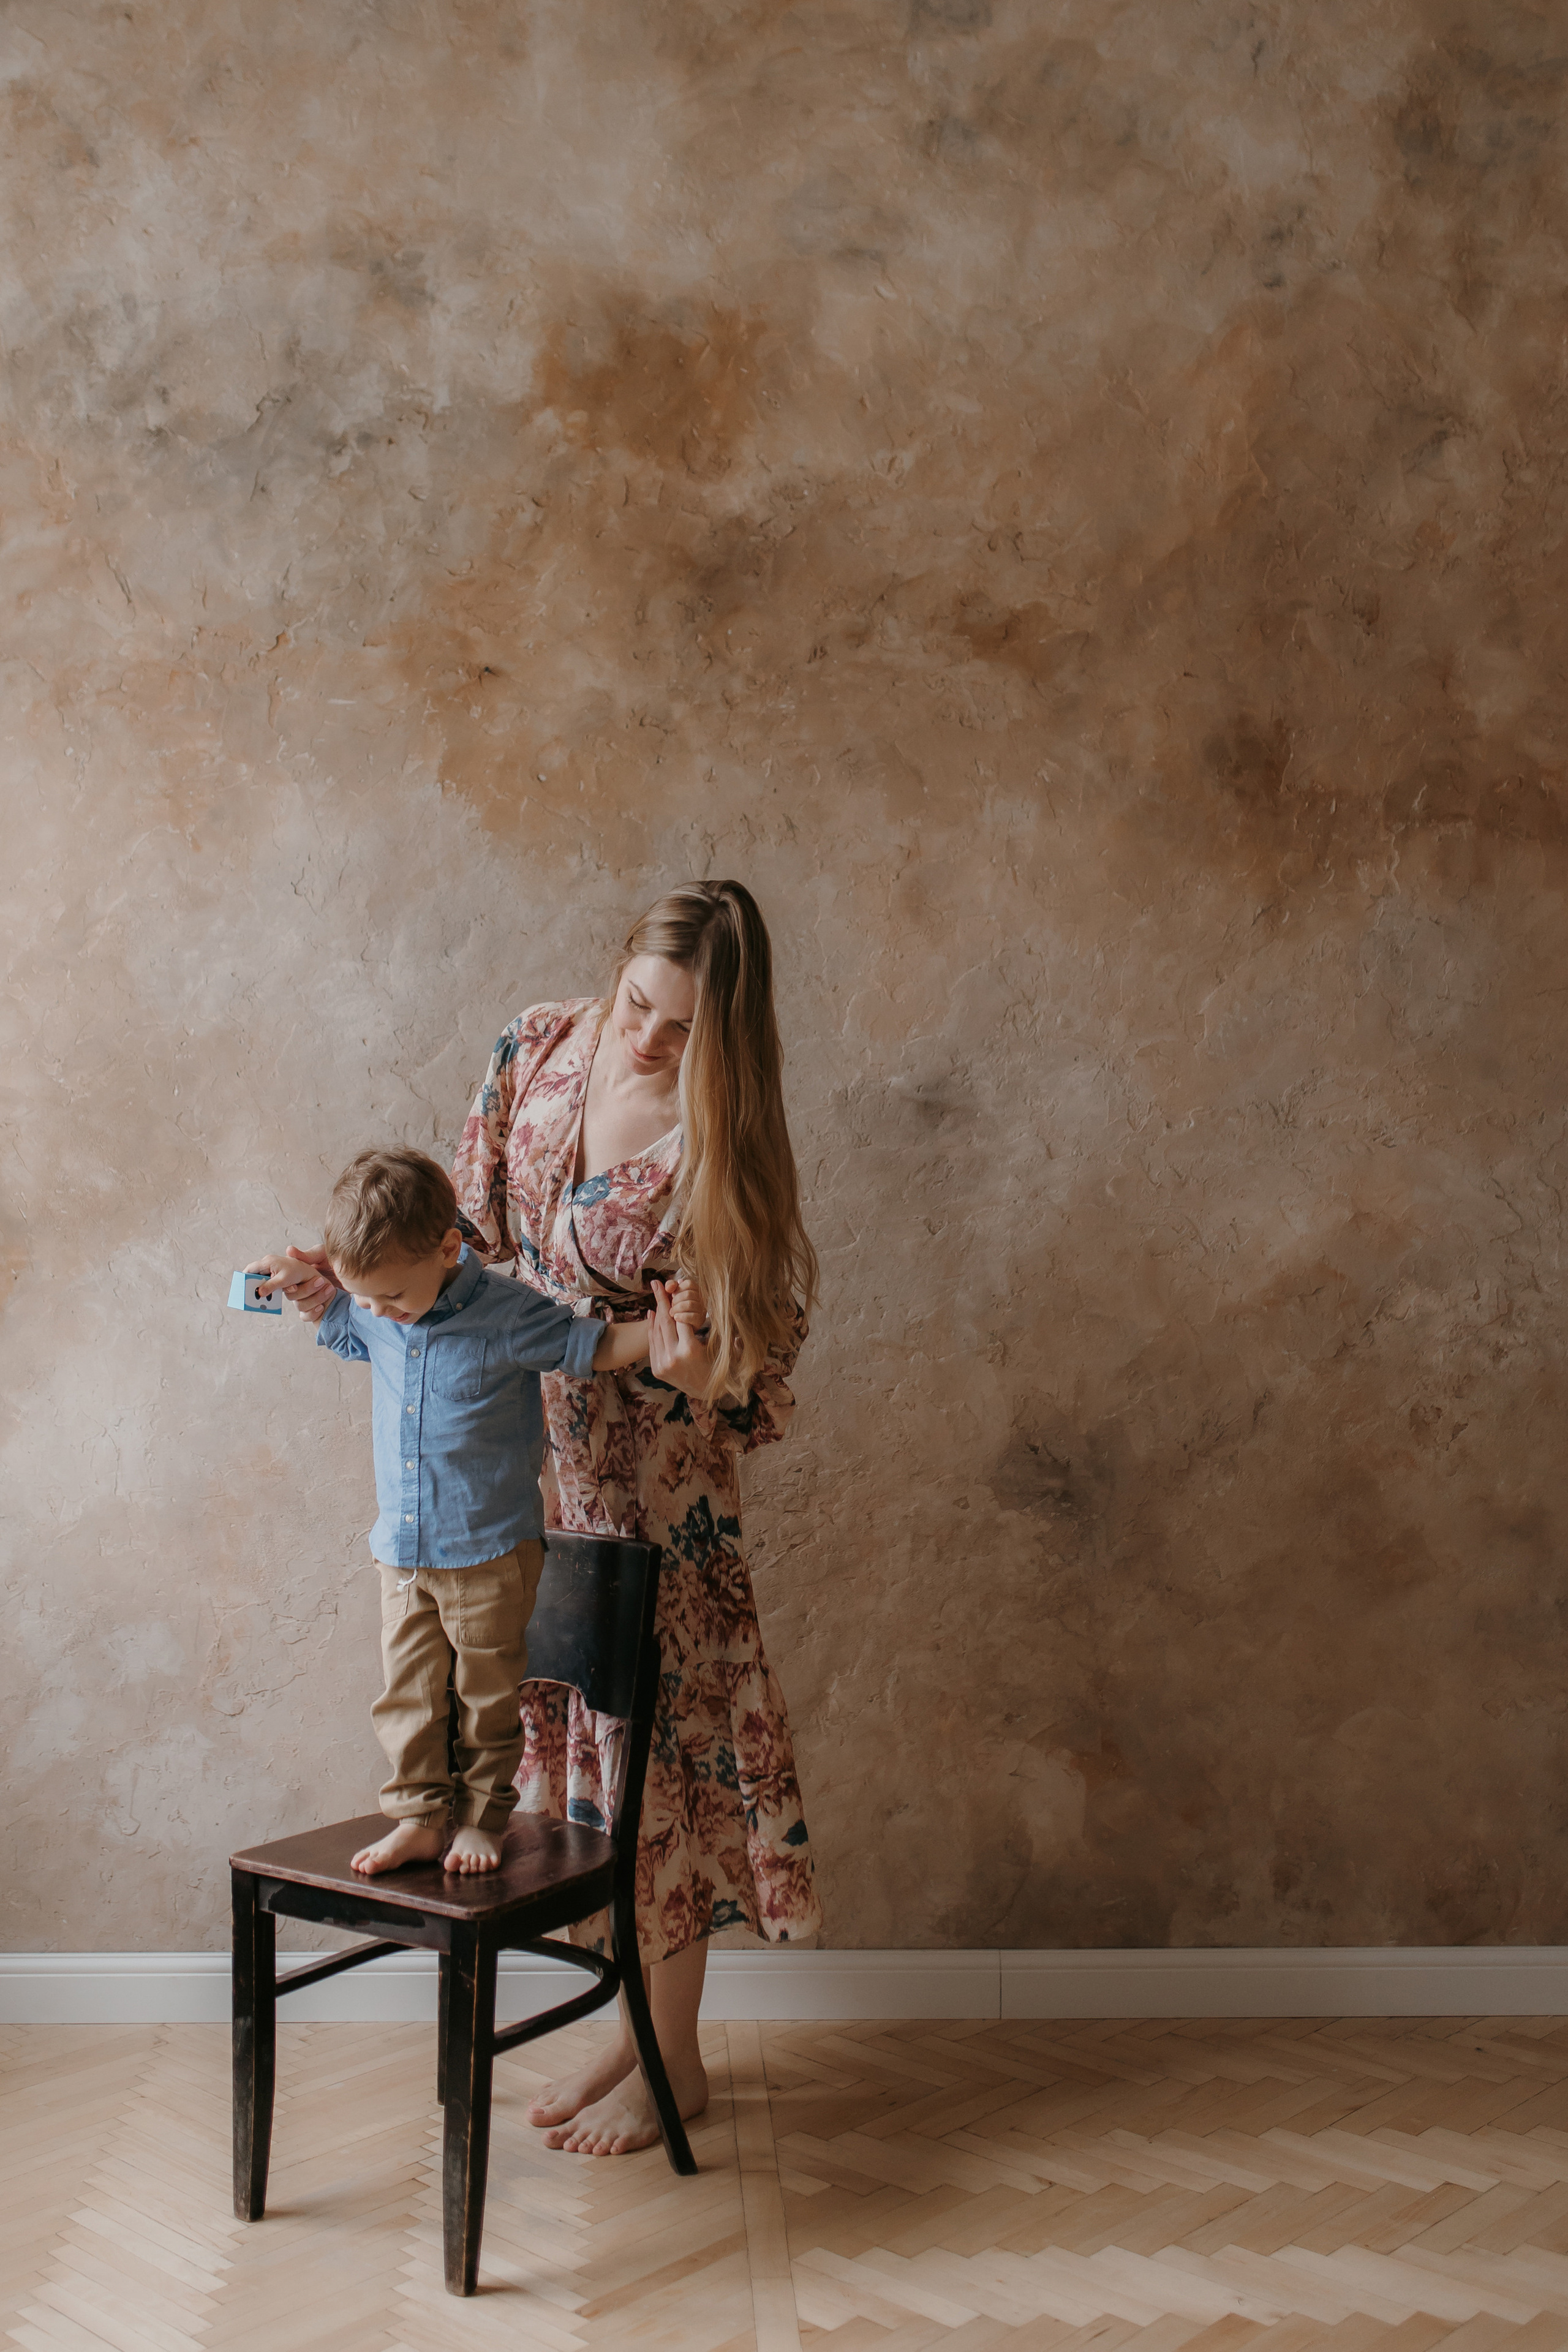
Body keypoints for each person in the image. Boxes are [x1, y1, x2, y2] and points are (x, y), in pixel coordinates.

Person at [277, 878, 822, 2158]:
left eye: (685, 1028)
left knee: (654, 1771)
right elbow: (455, 1243)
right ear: (617, 969)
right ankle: (630, 2032)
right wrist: (348, 1287)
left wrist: (701, 1370)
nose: (651, 1039)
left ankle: (674, 2060)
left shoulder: (724, 1147)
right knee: (572, 1777)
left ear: (727, 1035)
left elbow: (758, 1366)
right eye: (639, 1004)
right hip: (516, 1469)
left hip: (653, 1491)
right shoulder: (537, 1045)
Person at [247, 1144, 692, 1876]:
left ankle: (483, 1819)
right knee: (408, 1698)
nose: (378, 1312)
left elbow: (593, 1345)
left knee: (485, 1700)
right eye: (365, 1297)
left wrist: (672, 1327)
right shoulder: (376, 1307)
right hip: (402, 1553)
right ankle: (420, 1818)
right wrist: (304, 1286)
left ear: (447, 1248)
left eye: (391, 1296)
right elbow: (337, 1315)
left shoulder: (507, 1315)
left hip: (490, 1554)